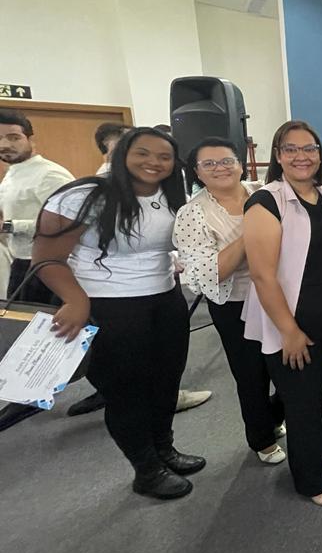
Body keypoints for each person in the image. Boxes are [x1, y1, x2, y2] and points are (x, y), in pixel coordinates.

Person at [33, 127, 204, 499]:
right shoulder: (85, 195)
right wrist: (75, 300)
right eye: (143, 153)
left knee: (165, 383)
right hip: (108, 307)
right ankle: (146, 470)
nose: (153, 162)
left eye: (164, 156)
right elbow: (46, 258)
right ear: (122, 153)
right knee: (127, 392)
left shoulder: (172, 194)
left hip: (165, 300)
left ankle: (164, 450)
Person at [242, 120, 322, 507]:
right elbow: (262, 275)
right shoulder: (266, 202)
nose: (301, 156)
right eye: (291, 149)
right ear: (278, 155)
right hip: (289, 320)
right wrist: (288, 330)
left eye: (309, 148)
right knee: (302, 403)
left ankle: (316, 455)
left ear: (319, 154)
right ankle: (311, 480)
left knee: (311, 394)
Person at [173, 137, 286, 465]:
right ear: (196, 172)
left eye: (226, 161)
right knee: (252, 375)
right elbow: (213, 273)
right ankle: (262, 439)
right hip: (235, 304)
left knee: (290, 368)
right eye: (208, 164)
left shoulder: (262, 193)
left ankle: (275, 415)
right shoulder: (192, 214)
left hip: (278, 295)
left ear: (240, 164)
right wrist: (253, 231)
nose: (219, 168)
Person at [0, 109, 74, 432]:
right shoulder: (13, 173)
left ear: (30, 138)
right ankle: (27, 394)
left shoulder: (50, 175)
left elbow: (69, 220)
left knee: (60, 332)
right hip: (23, 261)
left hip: (50, 264)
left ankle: (107, 390)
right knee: (26, 333)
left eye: (13, 137)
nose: (5, 144)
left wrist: (9, 226)